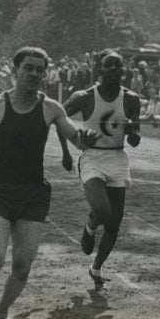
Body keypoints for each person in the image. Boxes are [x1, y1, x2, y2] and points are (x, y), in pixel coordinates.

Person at [0, 46, 98, 319]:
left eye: (40, 69)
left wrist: (86, 139)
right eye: (28, 68)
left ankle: (2, 310)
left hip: (33, 194)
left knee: (22, 265)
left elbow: (75, 137)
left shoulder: (51, 109)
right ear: (15, 71)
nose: (34, 74)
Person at [59, 50, 141, 290]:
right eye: (109, 66)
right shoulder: (84, 97)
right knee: (102, 210)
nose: (115, 70)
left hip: (117, 157)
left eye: (119, 66)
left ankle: (96, 268)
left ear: (124, 72)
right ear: (100, 70)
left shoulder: (131, 99)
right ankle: (90, 227)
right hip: (93, 158)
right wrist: (67, 151)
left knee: (114, 224)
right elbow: (59, 118)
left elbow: (135, 140)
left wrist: (132, 132)